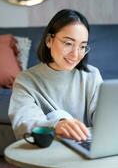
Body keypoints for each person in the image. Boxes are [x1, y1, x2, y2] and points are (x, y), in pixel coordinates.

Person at [9, 9, 103, 141]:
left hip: (87, 149)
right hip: (49, 151)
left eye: (82, 47)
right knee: (56, 115)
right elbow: (24, 123)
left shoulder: (92, 75)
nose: (76, 55)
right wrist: (56, 125)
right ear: (49, 40)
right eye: (68, 43)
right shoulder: (26, 80)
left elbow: (105, 121)